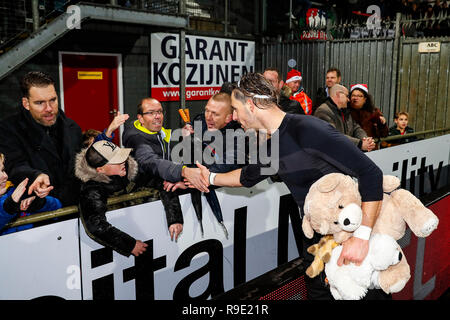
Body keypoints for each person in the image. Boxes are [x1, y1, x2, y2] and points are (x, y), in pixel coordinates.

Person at [191, 72, 386, 300]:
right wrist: (210, 177)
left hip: (349, 241)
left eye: (235, 109)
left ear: (251, 105)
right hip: (316, 245)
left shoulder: (308, 129)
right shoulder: (271, 144)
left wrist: (361, 238)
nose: (233, 117)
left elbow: (371, 173)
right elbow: (246, 177)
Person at [0, 71, 82, 207]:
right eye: (40, 103)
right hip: (39, 213)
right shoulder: (8, 130)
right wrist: (35, 176)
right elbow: (14, 166)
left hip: (76, 210)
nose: (49, 108)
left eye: (53, 100)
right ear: (26, 103)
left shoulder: (72, 128)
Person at [75, 141, 156, 257]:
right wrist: (130, 245)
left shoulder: (127, 171)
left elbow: (156, 181)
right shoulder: (91, 189)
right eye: (116, 160)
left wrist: (175, 219)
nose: (123, 161)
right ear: (100, 170)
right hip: (105, 256)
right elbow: (96, 225)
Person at [122, 97, 208, 193]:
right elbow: (151, 161)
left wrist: (181, 133)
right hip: (145, 194)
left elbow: (164, 136)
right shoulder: (137, 139)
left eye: (159, 112)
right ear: (141, 118)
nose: (157, 116)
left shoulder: (152, 129)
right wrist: (182, 171)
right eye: (151, 113)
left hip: (162, 184)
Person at [0, 153, 62, 234]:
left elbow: (58, 208)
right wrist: (8, 206)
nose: (4, 176)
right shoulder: (14, 197)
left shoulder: (16, 192)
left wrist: (38, 203)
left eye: (3, 170)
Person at [314, 84, 375, 152]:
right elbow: (333, 135)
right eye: (346, 96)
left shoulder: (344, 110)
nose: (348, 100)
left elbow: (356, 128)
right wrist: (360, 144)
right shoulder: (323, 111)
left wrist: (366, 140)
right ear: (338, 94)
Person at [349, 84, 388, 150]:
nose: (355, 98)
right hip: (351, 148)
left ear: (365, 99)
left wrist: (382, 124)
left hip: (370, 150)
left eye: (359, 96)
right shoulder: (345, 111)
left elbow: (384, 134)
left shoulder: (374, 112)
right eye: (353, 95)